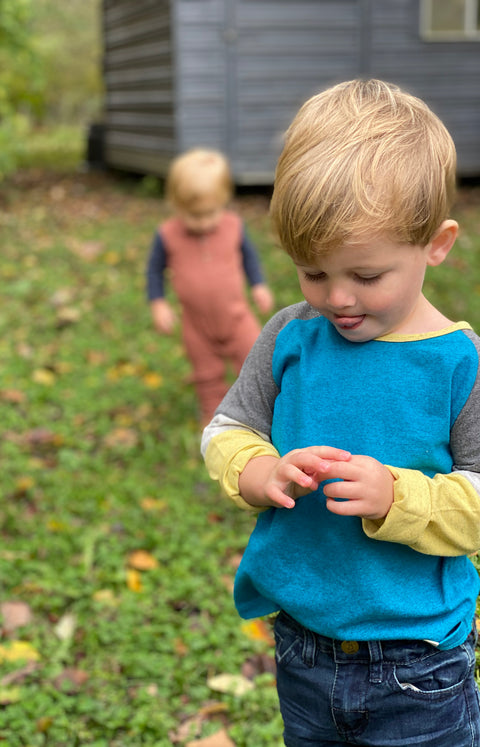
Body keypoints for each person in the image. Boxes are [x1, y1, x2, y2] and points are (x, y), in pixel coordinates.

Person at [201, 79, 480, 746]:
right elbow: (225, 429)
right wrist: (258, 469)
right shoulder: (289, 337)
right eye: (312, 272)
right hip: (303, 648)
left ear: (436, 244)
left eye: (366, 274)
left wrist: (396, 495)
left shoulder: (458, 363)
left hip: (418, 660)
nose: (337, 298)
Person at [146, 148, 274, 426]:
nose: (203, 222)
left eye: (210, 213)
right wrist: (158, 303)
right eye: (194, 215)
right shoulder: (167, 235)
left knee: (253, 359)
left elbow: (249, 259)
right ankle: (214, 419)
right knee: (206, 373)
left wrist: (259, 286)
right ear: (176, 205)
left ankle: (260, 410)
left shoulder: (233, 227)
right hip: (196, 324)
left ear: (224, 201)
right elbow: (154, 272)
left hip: (237, 315)